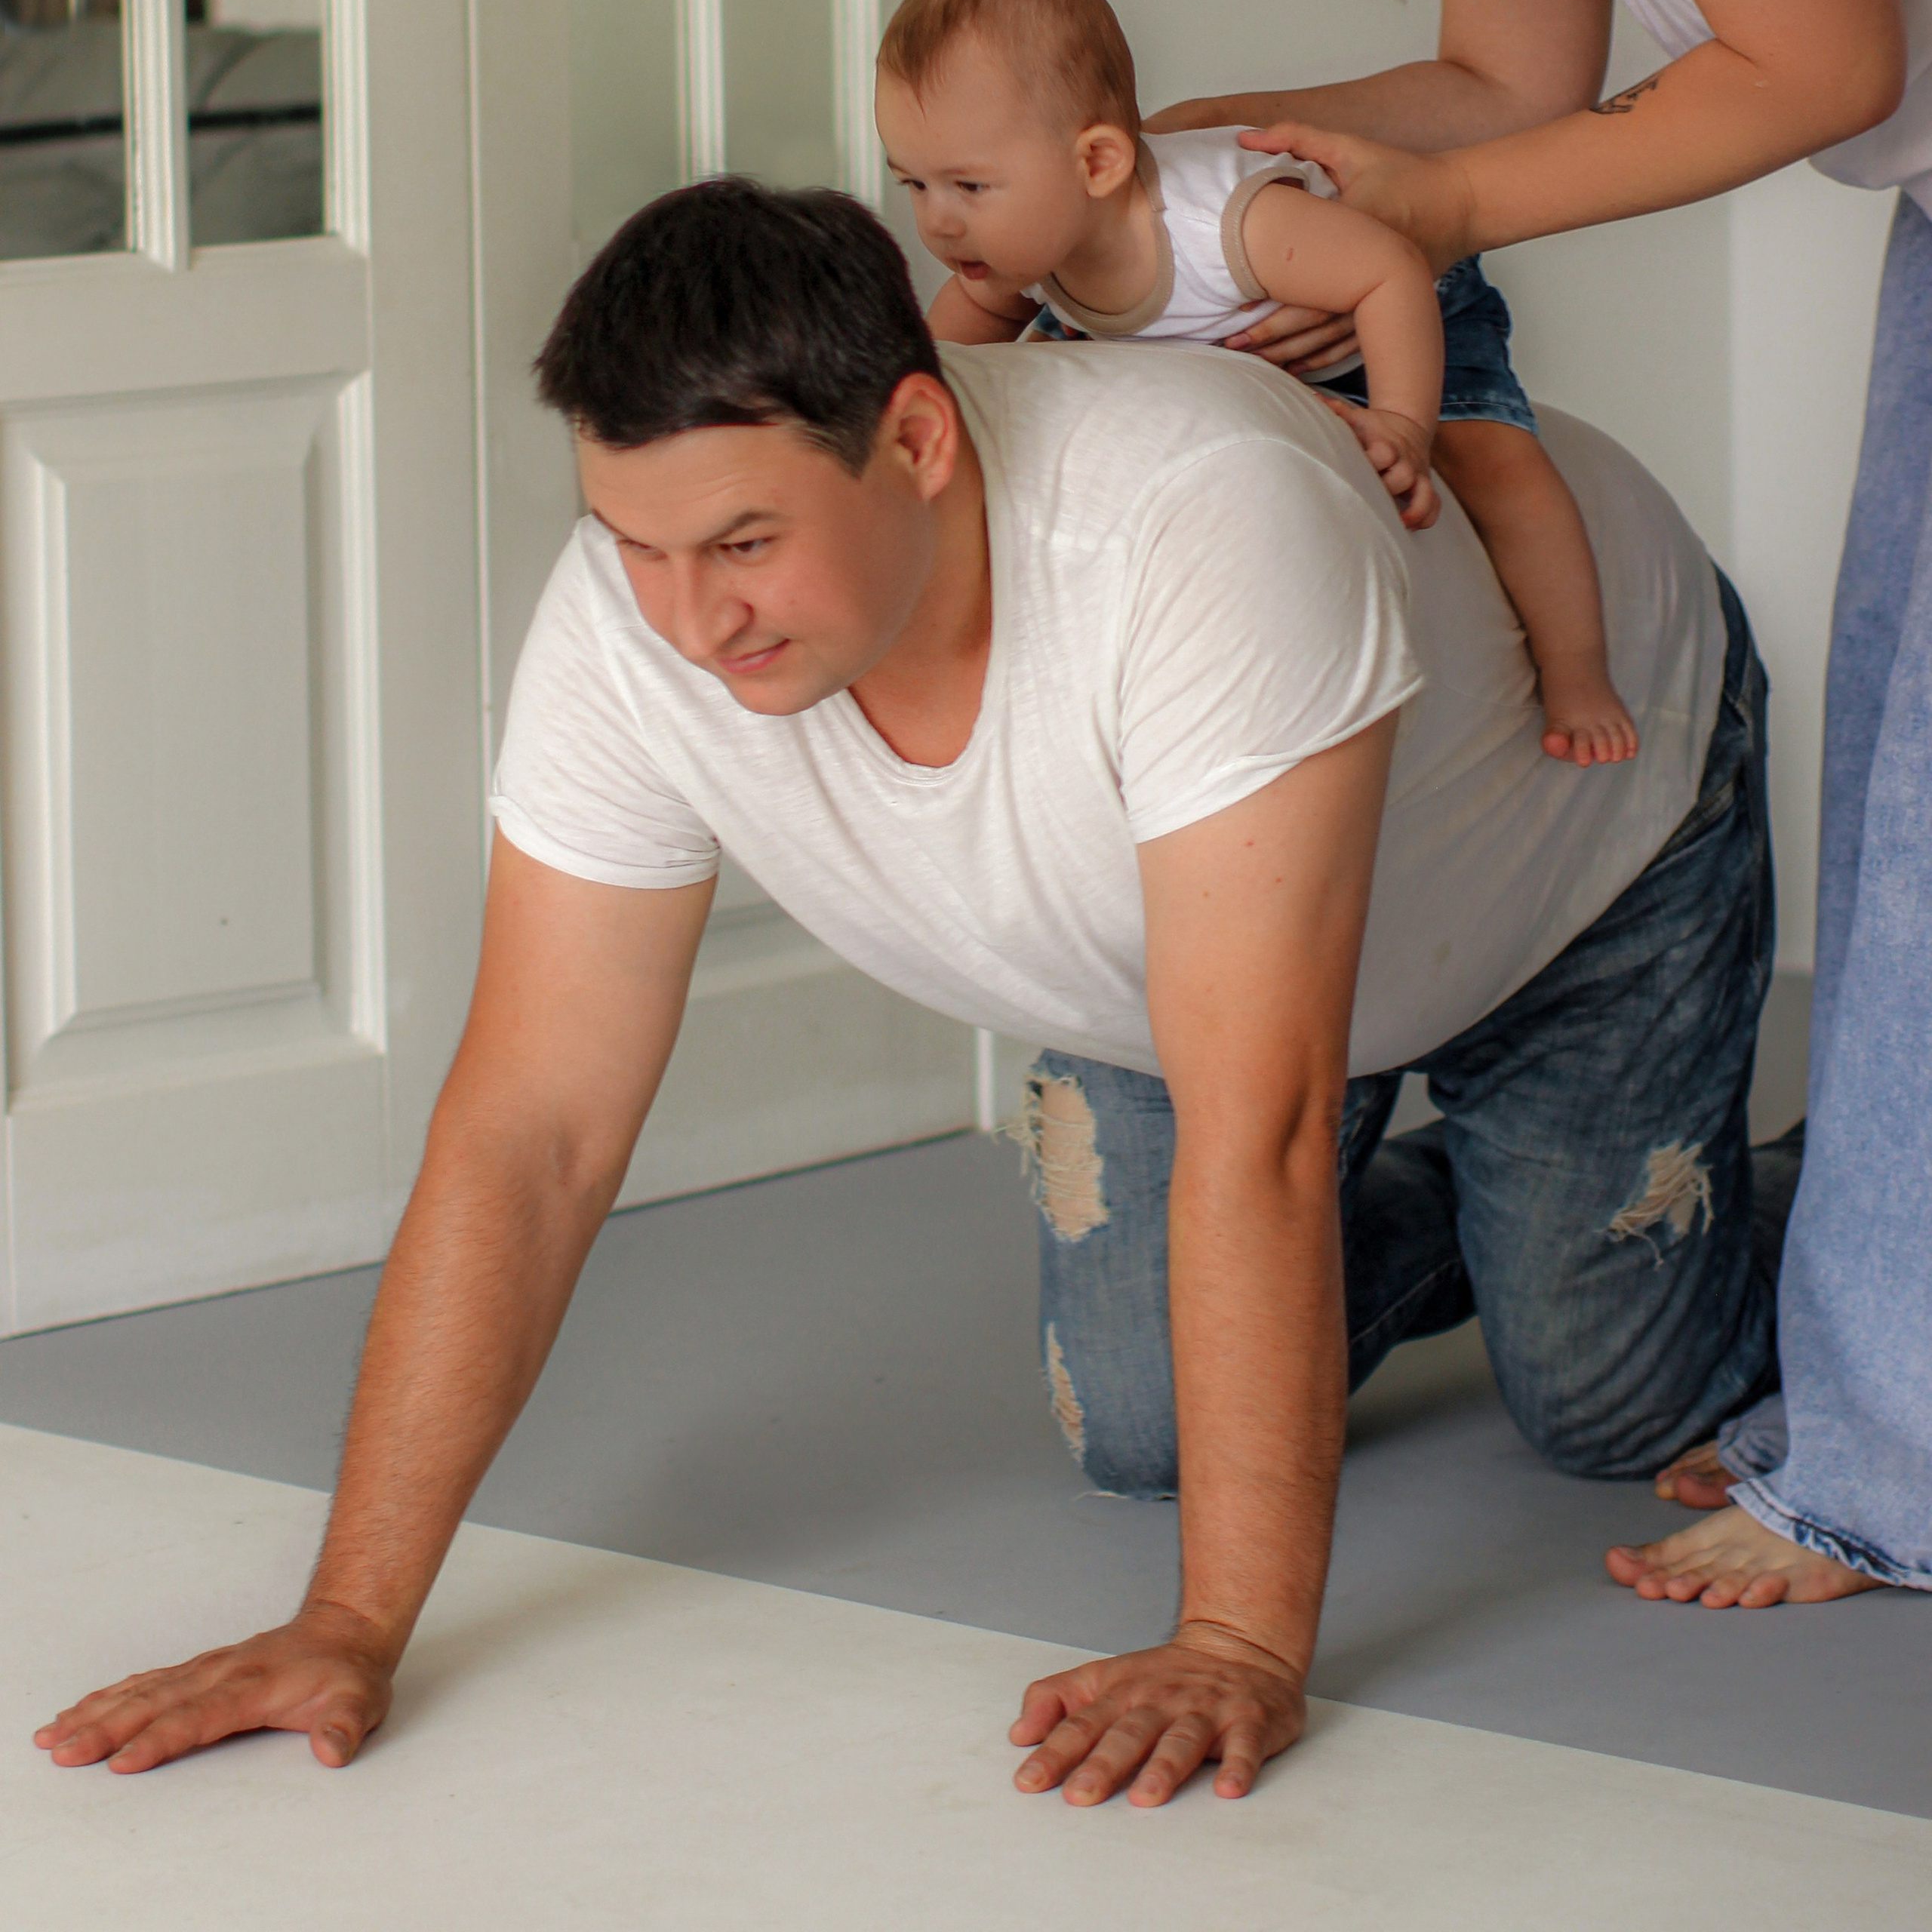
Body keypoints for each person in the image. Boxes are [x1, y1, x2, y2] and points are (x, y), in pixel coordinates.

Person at [41, 181, 1785, 1802]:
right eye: (635, 546)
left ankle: (1747, 1189)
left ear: (919, 436)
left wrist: (1237, 1642)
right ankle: (1492, 1200)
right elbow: (532, 1125)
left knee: (1603, 1400)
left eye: (739, 542)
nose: (686, 618)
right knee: (1139, 1427)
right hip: (1203, 952)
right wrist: (347, 1616)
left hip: (1575, 842)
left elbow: (1249, 1129)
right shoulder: (633, 619)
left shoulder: (1194, 519)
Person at [1065, 0, 1930, 1603]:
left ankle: (1880, 1460)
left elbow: (1821, 60)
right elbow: (1498, 82)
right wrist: (1149, 167)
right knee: (1898, 787)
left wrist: (1434, 196)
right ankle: (1870, 1383)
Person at [878, 0, 1639, 761]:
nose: (938, 223)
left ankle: (1579, 675)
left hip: (1386, 301)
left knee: (1495, 464)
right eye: (914, 185)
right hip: (1223, 337)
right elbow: (939, 360)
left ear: (1096, 162)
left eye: (968, 187)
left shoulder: (1223, 224)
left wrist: (1402, 424)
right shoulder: (1020, 244)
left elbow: (1388, 274)